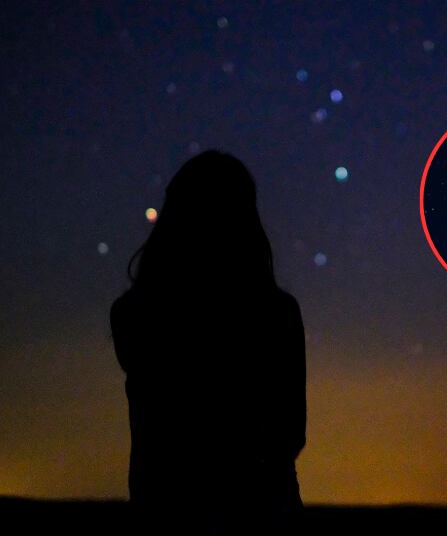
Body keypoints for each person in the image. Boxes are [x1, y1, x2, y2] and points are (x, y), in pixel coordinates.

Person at [110, 150, 306, 533]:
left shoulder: (135, 315)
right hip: (261, 513)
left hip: (165, 512)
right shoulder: (276, 314)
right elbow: (289, 432)